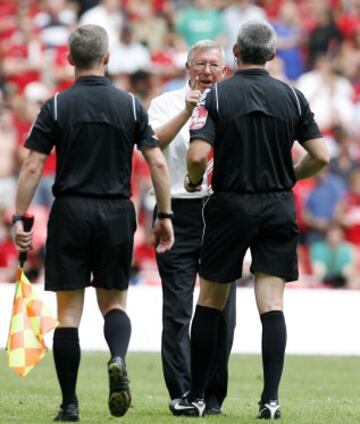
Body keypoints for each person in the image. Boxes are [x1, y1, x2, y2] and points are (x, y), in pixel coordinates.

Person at [13, 24, 174, 422]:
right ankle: (117, 357)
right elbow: (155, 161)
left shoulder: (56, 106)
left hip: (70, 211)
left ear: (69, 60)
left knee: (68, 314)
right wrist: (165, 213)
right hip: (116, 212)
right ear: (107, 58)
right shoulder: (131, 105)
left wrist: (20, 215)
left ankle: (69, 405)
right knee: (114, 303)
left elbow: (33, 163)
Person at [178, 20, 329, 419]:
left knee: (210, 300)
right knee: (272, 304)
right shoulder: (294, 98)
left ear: (236, 55)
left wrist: (194, 183)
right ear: (272, 55)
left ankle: (195, 395)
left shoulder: (216, 97)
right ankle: (270, 399)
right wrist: (288, 176)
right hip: (278, 206)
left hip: (230, 204)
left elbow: (196, 156)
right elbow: (322, 155)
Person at [148, 40, 237, 416]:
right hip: (176, 211)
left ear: (225, 71)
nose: (206, 70)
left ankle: (213, 393)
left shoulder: (234, 102)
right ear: (187, 67)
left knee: (222, 308)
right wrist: (187, 112)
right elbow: (151, 144)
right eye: (199, 63)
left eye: (213, 64)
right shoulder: (166, 103)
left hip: (220, 209)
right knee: (178, 308)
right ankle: (183, 392)